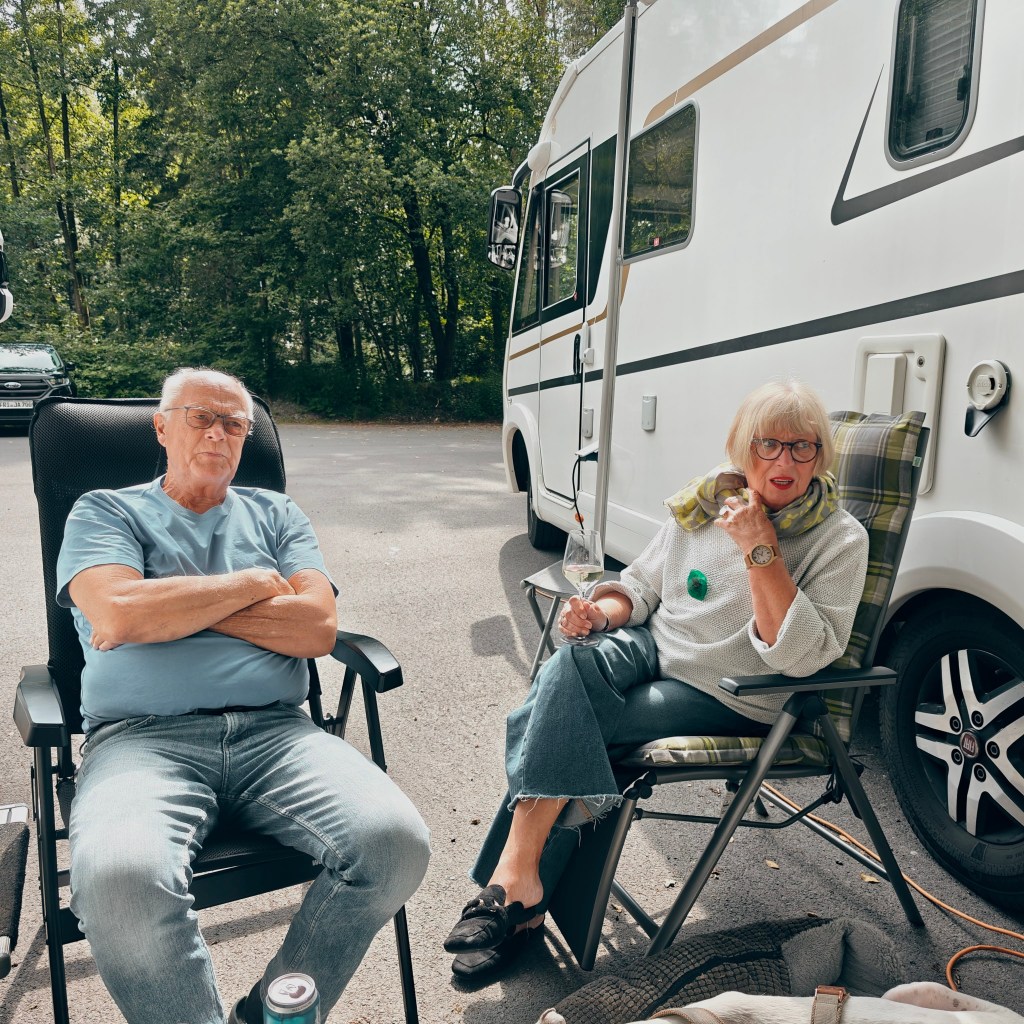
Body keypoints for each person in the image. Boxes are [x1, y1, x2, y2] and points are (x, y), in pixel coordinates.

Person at [443, 380, 869, 981]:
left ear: (820, 456)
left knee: (560, 715)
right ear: (742, 449)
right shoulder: (708, 502)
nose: (785, 461)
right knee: (569, 666)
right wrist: (599, 613)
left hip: (732, 692)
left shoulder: (840, 538)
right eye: (769, 444)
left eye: (803, 447)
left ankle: (514, 894)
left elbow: (801, 656)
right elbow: (640, 587)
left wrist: (761, 548)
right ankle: (522, 883)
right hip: (654, 648)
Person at [57, 367, 430, 1024]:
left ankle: (270, 1014)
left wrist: (172, 608)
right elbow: (117, 613)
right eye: (202, 417)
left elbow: (316, 629)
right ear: (162, 426)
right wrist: (255, 583)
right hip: (142, 741)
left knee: (395, 844)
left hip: (277, 734)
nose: (220, 434)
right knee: (121, 883)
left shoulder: (276, 514)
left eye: (234, 424)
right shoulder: (107, 510)